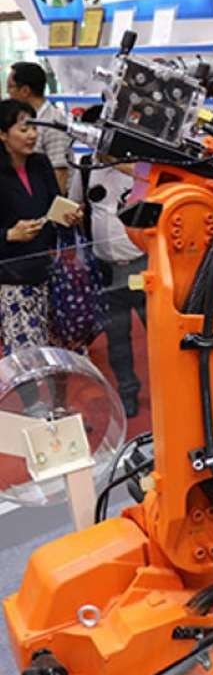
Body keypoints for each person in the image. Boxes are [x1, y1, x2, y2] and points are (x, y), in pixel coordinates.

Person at [68, 105, 146, 418]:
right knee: (117, 338)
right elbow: (74, 204)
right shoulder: (86, 167)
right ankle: (127, 392)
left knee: (161, 333)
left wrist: (124, 165)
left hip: (144, 263)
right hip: (105, 269)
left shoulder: (140, 165)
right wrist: (73, 216)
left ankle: (174, 388)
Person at [0, 99, 81, 372]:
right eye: (24, 129)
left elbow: (54, 206)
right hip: (13, 280)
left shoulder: (40, 163)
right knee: (26, 358)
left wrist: (69, 216)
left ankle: (60, 397)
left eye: (34, 128)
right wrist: (9, 234)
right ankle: (32, 400)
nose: (32, 135)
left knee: (62, 354)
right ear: (2, 134)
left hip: (51, 274)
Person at [6, 62, 69, 194]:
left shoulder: (53, 122)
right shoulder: (22, 117)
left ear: (25, 91)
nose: (8, 92)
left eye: (11, 87)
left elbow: (60, 174)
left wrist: (51, 206)